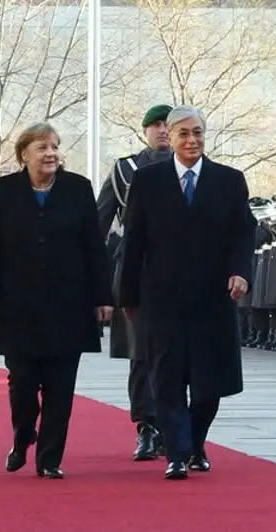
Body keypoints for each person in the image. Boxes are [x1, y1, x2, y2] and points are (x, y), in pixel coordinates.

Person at [118, 105, 256, 479]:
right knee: (167, 378)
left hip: (212, 297)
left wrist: (240, 273)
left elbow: (243, 233)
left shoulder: (229, 180)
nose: (191, 140)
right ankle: (177, 454)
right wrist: (127, 295)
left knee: (209, 384)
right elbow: (134, 241)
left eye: (197, 133)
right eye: (184, 134)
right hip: (161, 298)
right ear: (171, 138)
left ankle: (195, 442)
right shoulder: (147, 181)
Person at [0, 122, 113, 479]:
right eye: (42, 147)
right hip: (17, 305)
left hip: (69, 303)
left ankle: (50, 458)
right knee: (22, 383)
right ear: (24, 154)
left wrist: (103, 297)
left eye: (54, 146)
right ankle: (23, 436)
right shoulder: (5, 191)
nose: (50, 153)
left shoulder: (77, 189)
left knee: (60, 385)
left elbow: (93, 248)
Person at [97, 103, 173, 460]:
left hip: (179, 271)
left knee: (178, 352)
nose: (162, 131)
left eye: (167, 125)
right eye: (155, 125)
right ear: (145, 131)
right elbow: (99, 223)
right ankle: (146, 425)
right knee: (140, 353)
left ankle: (176, 425)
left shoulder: (191, 168)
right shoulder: (125, 169)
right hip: (137, 269)